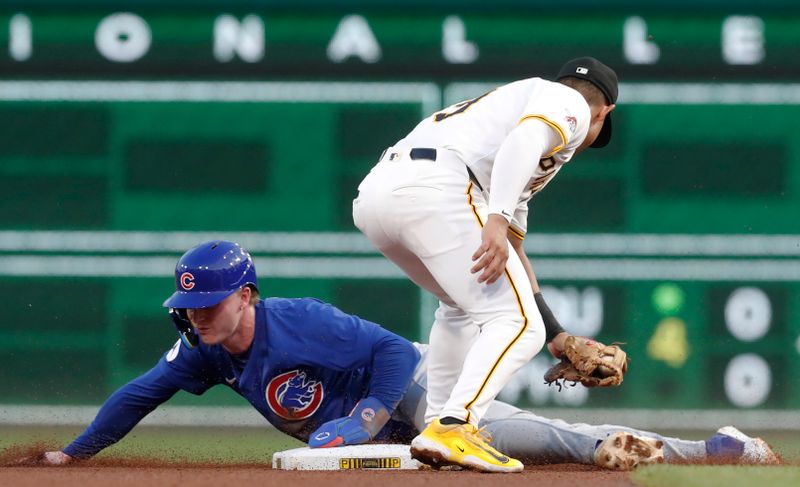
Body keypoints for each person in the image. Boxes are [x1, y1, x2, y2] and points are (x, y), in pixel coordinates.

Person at [29, 240, 778, 470]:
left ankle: (713, 447)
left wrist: (369, 412)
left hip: (417, 385)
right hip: (382, 428)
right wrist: (75, 452)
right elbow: (138, 392)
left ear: (247, 296)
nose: (194, 315)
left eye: (209, 302)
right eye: (187, 306)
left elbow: (391, 351)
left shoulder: (300, 322)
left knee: (537, 441)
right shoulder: (205, 349)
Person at [352, 56, 619, 471]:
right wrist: (495, 218)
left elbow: (512, 255)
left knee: (463, 306)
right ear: (605, 112)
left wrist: (558, 336)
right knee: (517, 325)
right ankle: (456, 426)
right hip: (441, 187)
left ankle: (436, 425)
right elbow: (525, 140)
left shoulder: (515, 145)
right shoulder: (570, 105)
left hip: (379, 197)